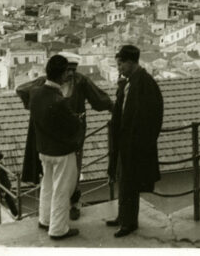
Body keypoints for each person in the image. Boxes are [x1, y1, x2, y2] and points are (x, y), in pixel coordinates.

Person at [17, 51, 114, 220]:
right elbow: (22, 90)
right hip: (51, 134)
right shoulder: (43, 82)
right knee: (53, 175)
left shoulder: (81, 81)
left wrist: (114, 109)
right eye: (67, 69)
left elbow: (99, 99)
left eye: (73, 70)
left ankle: (73, 204)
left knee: (73, 170)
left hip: (72, 134)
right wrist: (37, 109)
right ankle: (54, 217)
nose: (70, 73)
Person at [106, 45, 164, 238]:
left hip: (135, 145)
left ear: (130, 63)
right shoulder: (131, 82)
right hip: (125, 143)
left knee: (129, 183)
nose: (119, 68)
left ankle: (129, 222)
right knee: (124, 181)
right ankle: (123, 217)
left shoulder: (146, 84)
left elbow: (153, 117)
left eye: (121, 64)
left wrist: (140, 143)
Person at [29, 54, 83, 240]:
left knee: (48, 186)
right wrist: (77, 119)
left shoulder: (35, 94)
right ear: (60, 75)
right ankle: (58, 229)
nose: (68, 75)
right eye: (66, 72)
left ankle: (45, 220)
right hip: (62, 152)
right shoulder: (59, 101)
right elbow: (74, 125)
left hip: (44, 149)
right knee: (62, 190)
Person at [0, 151, 18, 217]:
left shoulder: (0, 165)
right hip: (3, 185)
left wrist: (3, 190)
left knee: (8, 200)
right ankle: (3, 213)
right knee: (2, 199)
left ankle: (15, 214)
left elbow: (2, 178)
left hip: (5, 185)